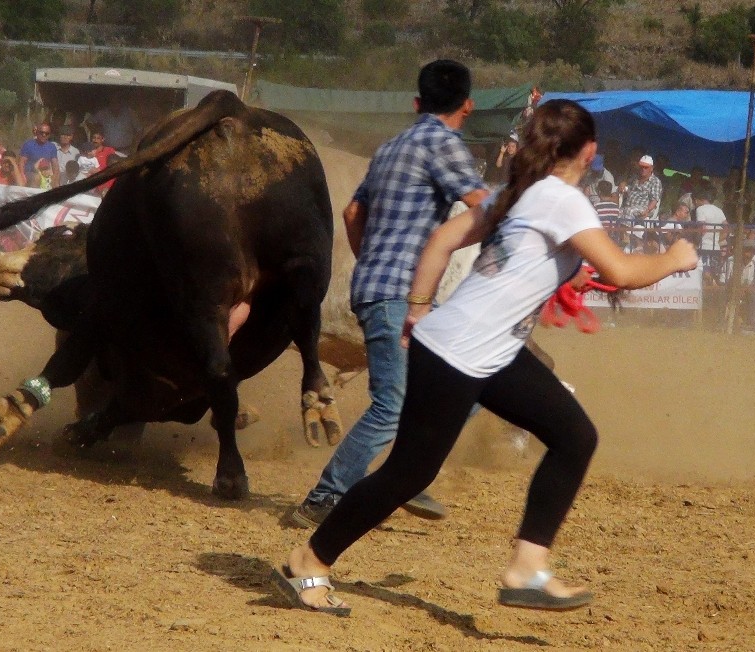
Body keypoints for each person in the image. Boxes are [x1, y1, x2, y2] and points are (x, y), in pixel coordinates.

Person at [275, 99, 697, 615]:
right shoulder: (562, 200)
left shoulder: (516, 192)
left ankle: (527, 569)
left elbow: (443, 240)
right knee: (408, 474)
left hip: (488, 351)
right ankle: (309, 560)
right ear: (589, 151)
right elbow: (624, 272)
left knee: (574, 436)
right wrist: (676, 257)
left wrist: (419, 309)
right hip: (460, 353)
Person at [287, 60, 489, 530]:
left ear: (417, 103)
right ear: (468, 106)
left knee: (470, 385)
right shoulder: (444, 143)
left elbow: (352, 213)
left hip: (379, 288)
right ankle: (324, 497)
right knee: (392, 405)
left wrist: (372, 262)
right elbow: (486, 206)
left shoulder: (390, 147)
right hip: (403, 296)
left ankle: (407, 473)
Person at [619, 154, 663, 222]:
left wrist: (647, 211)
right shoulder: (635, 177)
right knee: (616, 212)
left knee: (629, 211)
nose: (643, 169)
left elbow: (654, 199)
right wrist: (623, 183)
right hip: (628, 206)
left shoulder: (655, 181)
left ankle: (624, 229)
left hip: (644, 208)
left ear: (651, 168)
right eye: (641, 167)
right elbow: (627, 186)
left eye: (646, 167)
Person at [19, 123, 59, 189]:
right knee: (37, 177)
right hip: (30, 173)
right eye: (41, 132)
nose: (44, 135)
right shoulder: (28, 144)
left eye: (47, 133)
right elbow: (21, 162)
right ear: (37, 132)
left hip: (45, 173)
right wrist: (22, 177)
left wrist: (55, 180)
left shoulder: (52, 147)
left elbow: (55, 165)